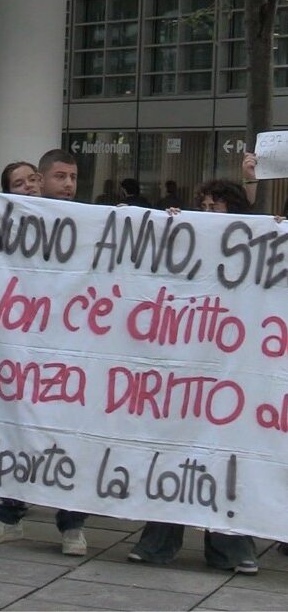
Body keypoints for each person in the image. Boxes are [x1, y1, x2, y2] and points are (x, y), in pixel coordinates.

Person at [128, 178, 259, 575]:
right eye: (202, 204)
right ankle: (158, 543)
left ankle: (231, 548)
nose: (206, 211)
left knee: (225, 459)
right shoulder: (184, 242)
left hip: (231, 374)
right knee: (174, 452)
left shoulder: (253, 249)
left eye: (215, 205)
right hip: (183, 373)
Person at [0, 149, 89, 556]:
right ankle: (9, 516)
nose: (68, 185)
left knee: (68, 437)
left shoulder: (92, 222)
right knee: (15, 427)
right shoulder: (14, 222)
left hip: (71, 353)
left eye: (73, 177)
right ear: (43, 179)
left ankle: (71, 525)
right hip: (23, 349)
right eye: (60, 177)